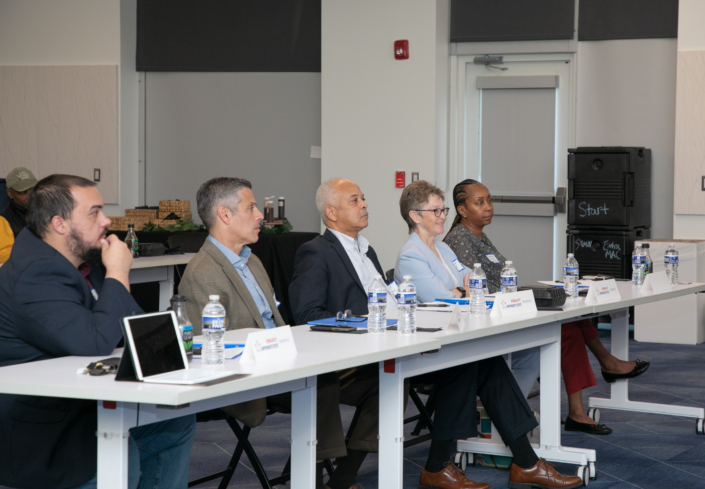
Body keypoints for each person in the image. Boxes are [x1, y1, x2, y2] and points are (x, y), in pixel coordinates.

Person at [291, 178, 582, 489]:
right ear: (331, 212)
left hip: (396, 340)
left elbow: (466, 282)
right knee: (466, 361)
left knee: (483, 359)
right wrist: (365, 323)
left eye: (363, 198)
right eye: (355, 200)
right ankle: (443, 466)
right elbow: (308, 316)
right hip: (355, 355)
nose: (364, 205)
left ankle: (522, 462)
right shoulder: (316, 252)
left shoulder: (367, 250)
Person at [0, 174, 195, 489]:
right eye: (94, 212)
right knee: (118, 452)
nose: (106, 220)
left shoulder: (85, 262)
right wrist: (119, 271)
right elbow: (96, 342)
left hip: (82, 402)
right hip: (38, 426)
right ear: (60, 224)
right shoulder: (34, 273)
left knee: (172, 421)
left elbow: (135, 328)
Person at [180, 177, 373, 489]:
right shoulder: (202, 274)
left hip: (287, 362)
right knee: (321, 383)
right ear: (225, 215)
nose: (261, 215)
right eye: (252, 207)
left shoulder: (252, 260)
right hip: (255, 377)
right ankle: (310, 480)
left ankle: (341, 477)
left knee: (382, 381)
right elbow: (212, 354)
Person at [443, 178, 650, 434]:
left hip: (507, 308)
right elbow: (478, 289)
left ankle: (593, 385)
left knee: (570, 315)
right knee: (568, 328)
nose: (488, 207)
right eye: (479, 202)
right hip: (493, 318)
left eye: (489, 200)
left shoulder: (479, 236)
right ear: (462, 210)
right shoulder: (459, 240)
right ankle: (594, 383)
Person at [1, 166, 37, 237]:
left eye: (33, 189)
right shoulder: (4, 221)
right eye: (23, 192)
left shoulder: (46, 207)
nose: (30, 196)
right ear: (10, 193)